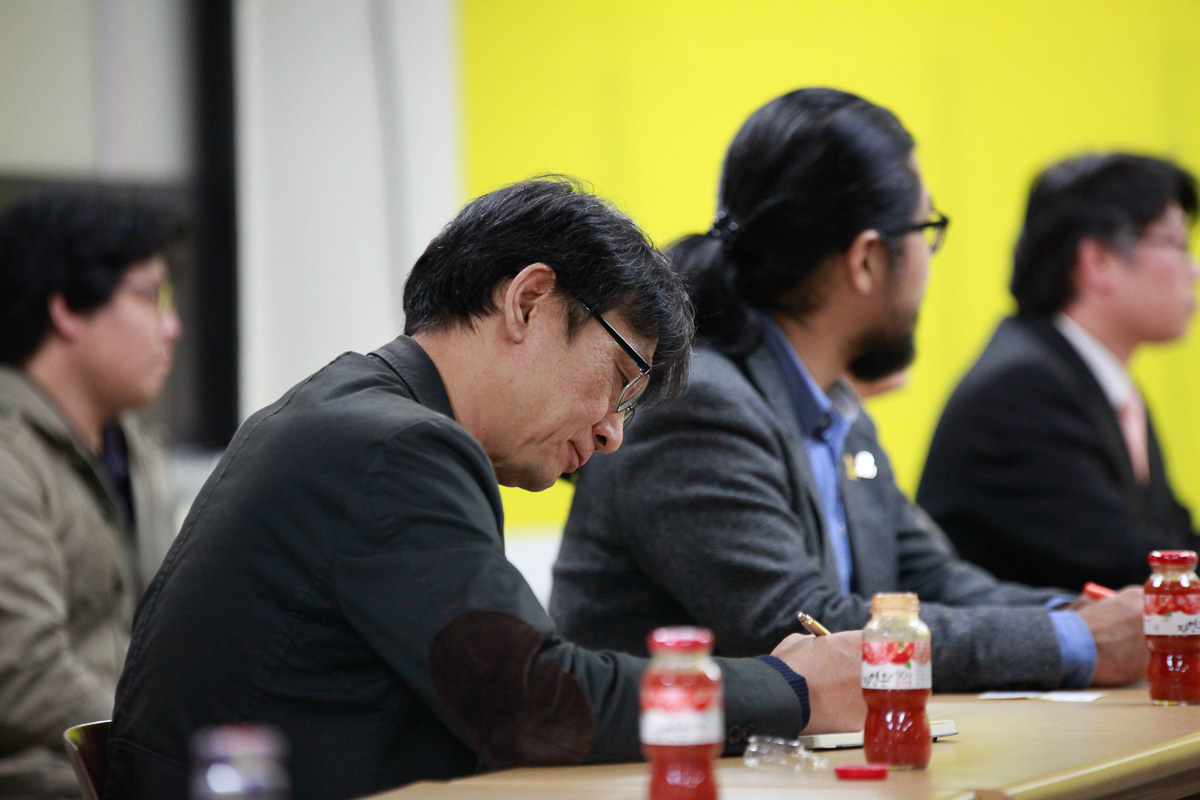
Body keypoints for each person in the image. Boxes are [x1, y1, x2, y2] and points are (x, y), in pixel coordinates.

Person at [104, 178, 865, 800]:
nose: (613, 433)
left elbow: (521, 685)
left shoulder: (343, 411)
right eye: (620, 381)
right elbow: (538, 705)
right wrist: (790, 687)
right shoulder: (398, 446)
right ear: (528, 301)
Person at [551, 88, 1147, 693]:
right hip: (666, 753)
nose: (929, 261)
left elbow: (932, 580)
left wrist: (1082, 617)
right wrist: (1076, 641)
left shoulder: (836, 409)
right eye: (927, 230)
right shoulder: (700, 405)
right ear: (866, 260)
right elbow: (807, 628)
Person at [917, 154, 1199, 591]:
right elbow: (1133, 571)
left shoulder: (1096, 381)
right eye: (1176, 243)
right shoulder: (1021, 392)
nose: (1193, 269)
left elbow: (1174, 538)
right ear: (1099, 260)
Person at [0, 190, 182, 798]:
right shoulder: (9, 454)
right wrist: (166, 748)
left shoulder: (138, 450)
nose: (172, 326)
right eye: (151, 297)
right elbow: (20, 673)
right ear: (68, 311)